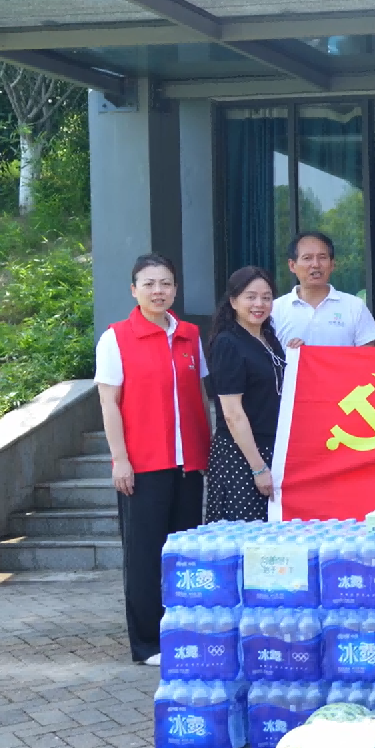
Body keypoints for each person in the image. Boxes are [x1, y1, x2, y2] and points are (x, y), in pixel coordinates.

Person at [95, 254, 209, 666]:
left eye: (165, 283)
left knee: (185, 554)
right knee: (145, 556)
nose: (158, 291)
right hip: (143, 464)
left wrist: (205, 449)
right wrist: (119, 460)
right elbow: (109, 403)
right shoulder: (116, 338)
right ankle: (148, 643)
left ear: (175, 289)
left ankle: (184, 632)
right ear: (134, 290)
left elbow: (199, 396)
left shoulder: (190, 335)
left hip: (188, 464)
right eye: (149, 284)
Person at [204, 266, 287, 524]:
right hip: (241, 455)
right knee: (246, 535)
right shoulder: (228, 343)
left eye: (266, 297)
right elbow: (232, 413)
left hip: (272, 448)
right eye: (251, 297)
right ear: (233, 301)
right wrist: (258, 467)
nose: (259, 304)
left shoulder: (269, 338)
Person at [271, 231, 375, 349]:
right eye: (307, 258)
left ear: (332, 264)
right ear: (292, 265)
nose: (316, 264)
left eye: (322, 257)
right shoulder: (275, 310)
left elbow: (368, 355)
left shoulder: (354, 306)